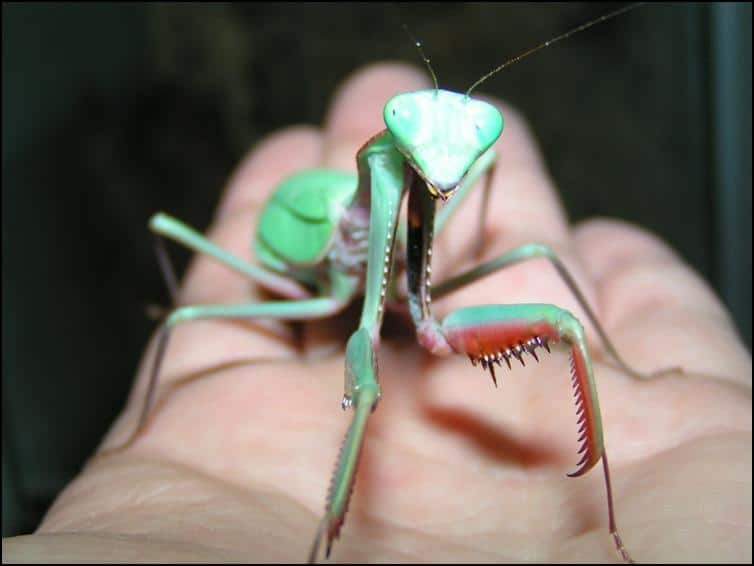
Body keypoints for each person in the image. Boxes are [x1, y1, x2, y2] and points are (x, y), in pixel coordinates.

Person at [4, 63, 751, 563]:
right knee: (181, 317)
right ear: (391, 141)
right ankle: (324, 537)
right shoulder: (374, 177)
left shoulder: (437, 181)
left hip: (387, 279)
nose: (449, 170)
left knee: (549, 280)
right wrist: (137, 433)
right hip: (308, 267)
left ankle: (613, 443)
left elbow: (440, 258)